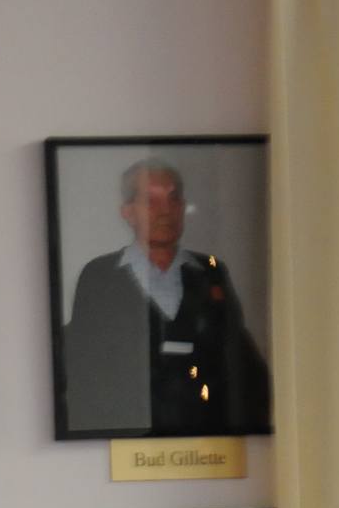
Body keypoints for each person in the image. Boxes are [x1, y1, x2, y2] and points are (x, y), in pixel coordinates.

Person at [61, 158, 272, 434]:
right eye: (151, 201)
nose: (165, 212)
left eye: (173, 200)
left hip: (205, 436)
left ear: (183, 208)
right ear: (128, 212)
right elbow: (84, 369)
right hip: (127, 433)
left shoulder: (211, 272)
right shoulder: (100, 276)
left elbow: (237, 358)